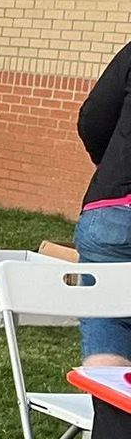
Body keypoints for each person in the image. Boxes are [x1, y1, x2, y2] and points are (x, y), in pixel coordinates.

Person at [75, 43, 131, 365]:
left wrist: (110, 163)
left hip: (114, 211)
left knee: (107, 320)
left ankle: (110, 412)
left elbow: (93, 119)